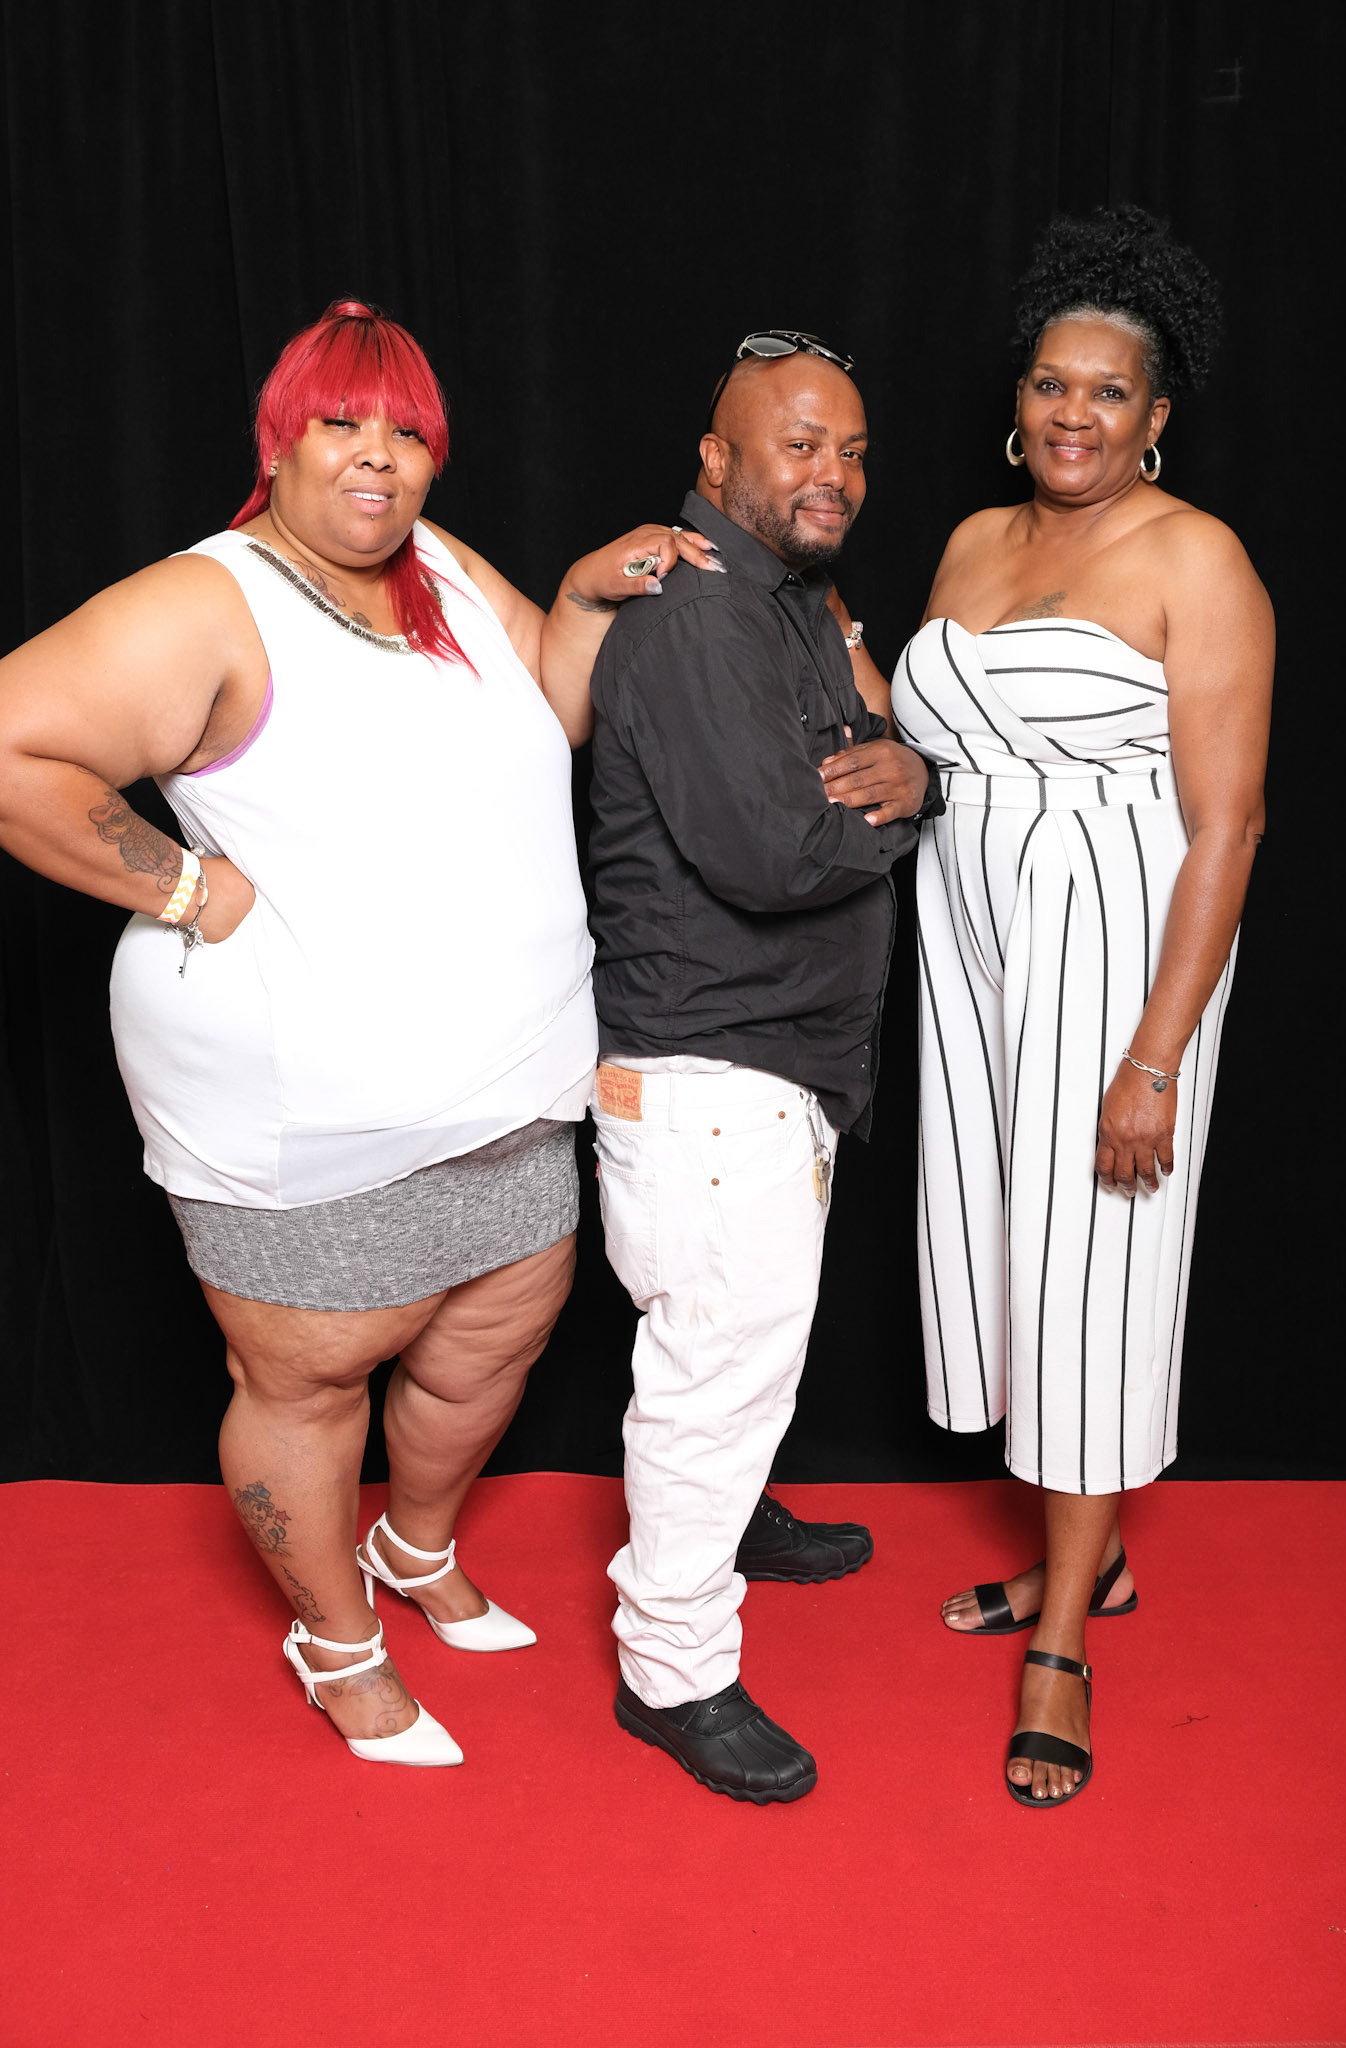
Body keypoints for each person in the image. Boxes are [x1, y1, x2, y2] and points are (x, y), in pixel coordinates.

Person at [0, 298, 714, 1768]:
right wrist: (185, 887)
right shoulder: (214, 602)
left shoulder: (435, 564)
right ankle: (335, 1639)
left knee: (491, 1341)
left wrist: (582, 597)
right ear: (279, 441)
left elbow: (560, 709)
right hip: (307, 1109)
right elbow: (13, 742)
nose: (378, 456)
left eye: (408, 432)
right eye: (342, 422)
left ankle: (414, 1547)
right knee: (309, 1384)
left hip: (515, 1078)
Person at [891, 208, 1273, 1805]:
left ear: (1154, 414)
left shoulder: (1196, 558)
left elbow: (1227, 826)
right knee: (1004, 1247)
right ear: (1019, 396)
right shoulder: (973, 543)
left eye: (1107, 392)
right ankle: (1087, 1559)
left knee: (1094, 1266)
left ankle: (1062, 1635)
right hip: (969, 940)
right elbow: (948, 745)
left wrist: (1152, 1056)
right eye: (1051, 383)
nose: (1072, 413)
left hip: (1112, 944)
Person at [587, 330, 936, 1803]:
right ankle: (671, 1667)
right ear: (716, 458)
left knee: (743, 1354)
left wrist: (898, 769)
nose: (832, 473)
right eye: (799, 444)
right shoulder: (698, 622)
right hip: (710, 1083)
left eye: (851, 449)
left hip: (763, 1071)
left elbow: (860, 759)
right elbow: (778, 850)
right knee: (711, 1379)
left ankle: (723, 1525)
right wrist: (916, 803)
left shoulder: (786, 603)